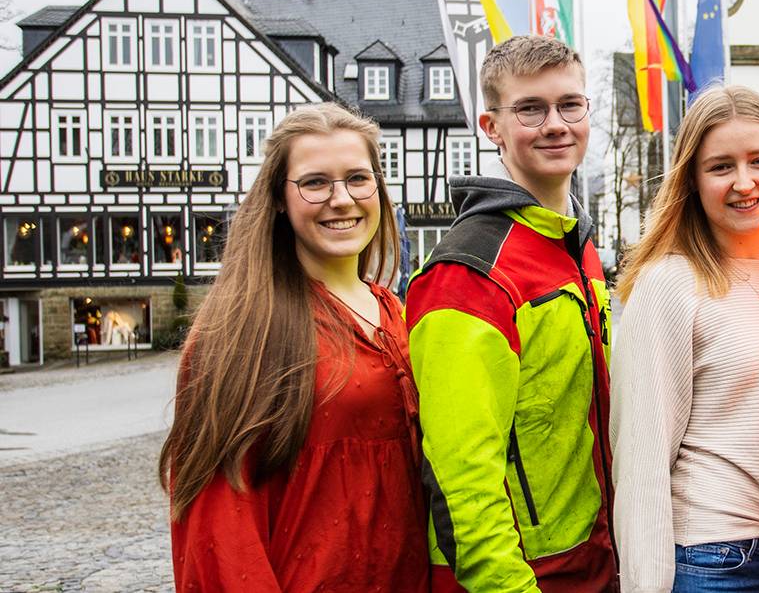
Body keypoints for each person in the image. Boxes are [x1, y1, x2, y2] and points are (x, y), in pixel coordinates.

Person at [160, 103, 427, 590]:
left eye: (357, 179)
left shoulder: (399, 314)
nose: (341, 199)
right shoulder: (244, 329)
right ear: (280, 199)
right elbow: (218, 523)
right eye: (315, 183)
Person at [405, 35, 616, 592]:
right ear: (491, 126)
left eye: (570, 104)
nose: (555, 124)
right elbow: (462, 481)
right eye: (530, 108)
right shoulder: (468, 271)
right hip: (531, 578)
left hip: (595, 566)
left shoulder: (576, 247)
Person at [611, 85, 759, 593]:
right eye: (721, 166)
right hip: (716, 559)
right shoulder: (669, 283)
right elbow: (641, 460)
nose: (744, 182)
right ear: (692, 181)